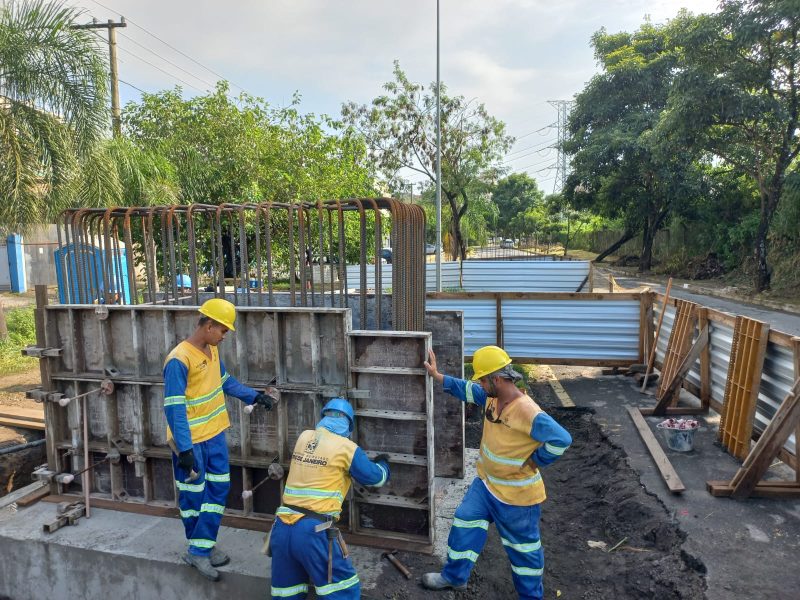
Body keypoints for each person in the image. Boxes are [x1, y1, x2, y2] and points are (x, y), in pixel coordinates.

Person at [421, 346, 572, 600]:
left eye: (482, 379)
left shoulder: (527, 411)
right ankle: (454, 577)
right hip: (487, 485)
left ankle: (531, 597)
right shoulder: (492, 397)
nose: (479, 383)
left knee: (523, 551)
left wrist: (538, 460)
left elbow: (561, 439)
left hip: (517, 497)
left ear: (497, 379)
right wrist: (438, 376)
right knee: (464, 522)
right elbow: (468, 390)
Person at [163, 298, 275, 581]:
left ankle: (202, 545)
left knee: (217, 492)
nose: (225, 336)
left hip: (213, 436)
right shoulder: (179, 359)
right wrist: (185, 450)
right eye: (223, 330)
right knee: (193, 497)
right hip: (191, 442)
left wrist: (255, 396)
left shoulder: (210, 353)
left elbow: (226, 383)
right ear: (209, 325)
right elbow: (174, 407)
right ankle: (198, 550)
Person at [268, 398, 390, 599]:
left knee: (286, 594)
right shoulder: (346, 448)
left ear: (323, 417)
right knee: (344, 590)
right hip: (313, 532)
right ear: (348, 426)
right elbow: (375, 479)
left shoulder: (304, 437)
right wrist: (383, 464)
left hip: (281, 529)